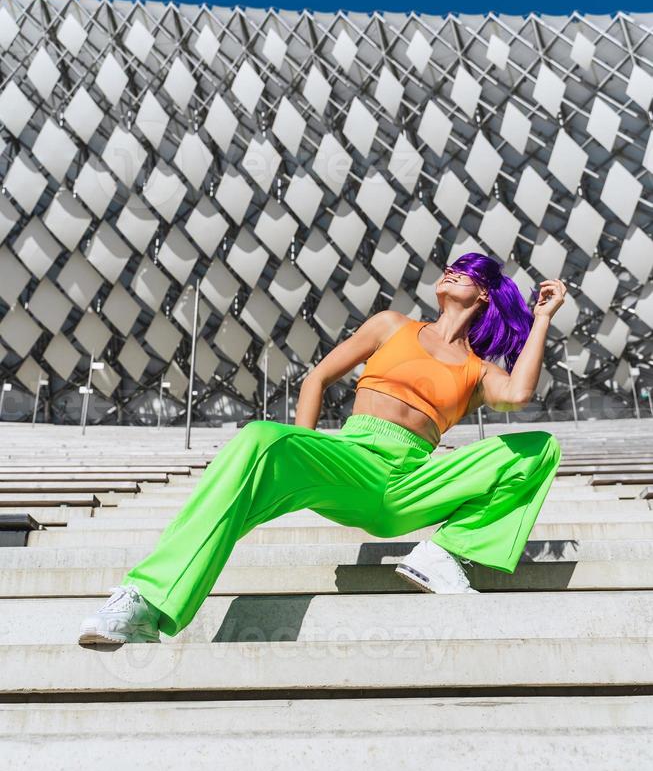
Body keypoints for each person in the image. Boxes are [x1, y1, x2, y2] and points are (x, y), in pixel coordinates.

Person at [78, 252, 566, 645]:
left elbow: (520, 393)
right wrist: (303, 445)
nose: (450, 271)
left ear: (482, 292)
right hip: (353, 460)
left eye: (464, 271)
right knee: (258, 437)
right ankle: (146, 601)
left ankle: (446, 554)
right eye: (450, 266)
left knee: (539, 448)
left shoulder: (478, 369)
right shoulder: (392, 325)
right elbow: (318, 377)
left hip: (412, 482)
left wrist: (542, 318)